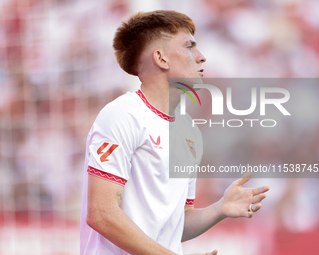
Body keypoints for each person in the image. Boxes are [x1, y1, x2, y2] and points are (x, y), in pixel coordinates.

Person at [80, 10, 269, 255]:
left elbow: (176, 222)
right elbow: (101, 214)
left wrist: (220, 208)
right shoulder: (122, 115)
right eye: (189, 47)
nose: (201, 57)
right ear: (161, 58)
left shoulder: (188, 129)